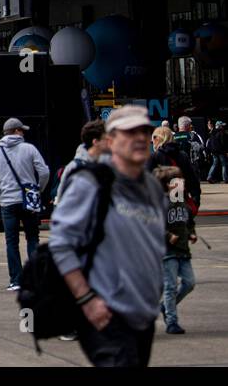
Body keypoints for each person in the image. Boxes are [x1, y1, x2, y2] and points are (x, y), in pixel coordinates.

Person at [49, 105, 165, 367]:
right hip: (107, 314)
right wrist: (86, 299)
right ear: (110, 141)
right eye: (129, 132)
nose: (139, 138)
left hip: (142, 315)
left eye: (145, 131)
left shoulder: (151, 188)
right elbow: (61, 243)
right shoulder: (89, 182)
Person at [0, 118, 50, 292]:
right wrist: (37, 190)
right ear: (17, 131)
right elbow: (44, 171)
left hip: (7, 202)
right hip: (28, 201)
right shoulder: (29, 149)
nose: (24, 133)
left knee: (11, 242)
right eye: (22, 130)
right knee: (32, 238)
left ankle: (16, 280)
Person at [155, 165, 196, 335]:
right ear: (167, 185)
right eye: (176, 180)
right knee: (170, 287)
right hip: (167, 252)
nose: (181, 182)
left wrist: (192, 233)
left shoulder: (181, 202)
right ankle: (172, 321)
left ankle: (164, 306)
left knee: (189, 283)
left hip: (183, 250)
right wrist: (167, 236)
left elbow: (188, 221)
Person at [57, 119, 109, 204]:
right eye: (106, 139)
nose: (110, 143)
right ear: (95, 142)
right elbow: (62, 202)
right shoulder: (75, 167)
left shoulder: (108, 165)